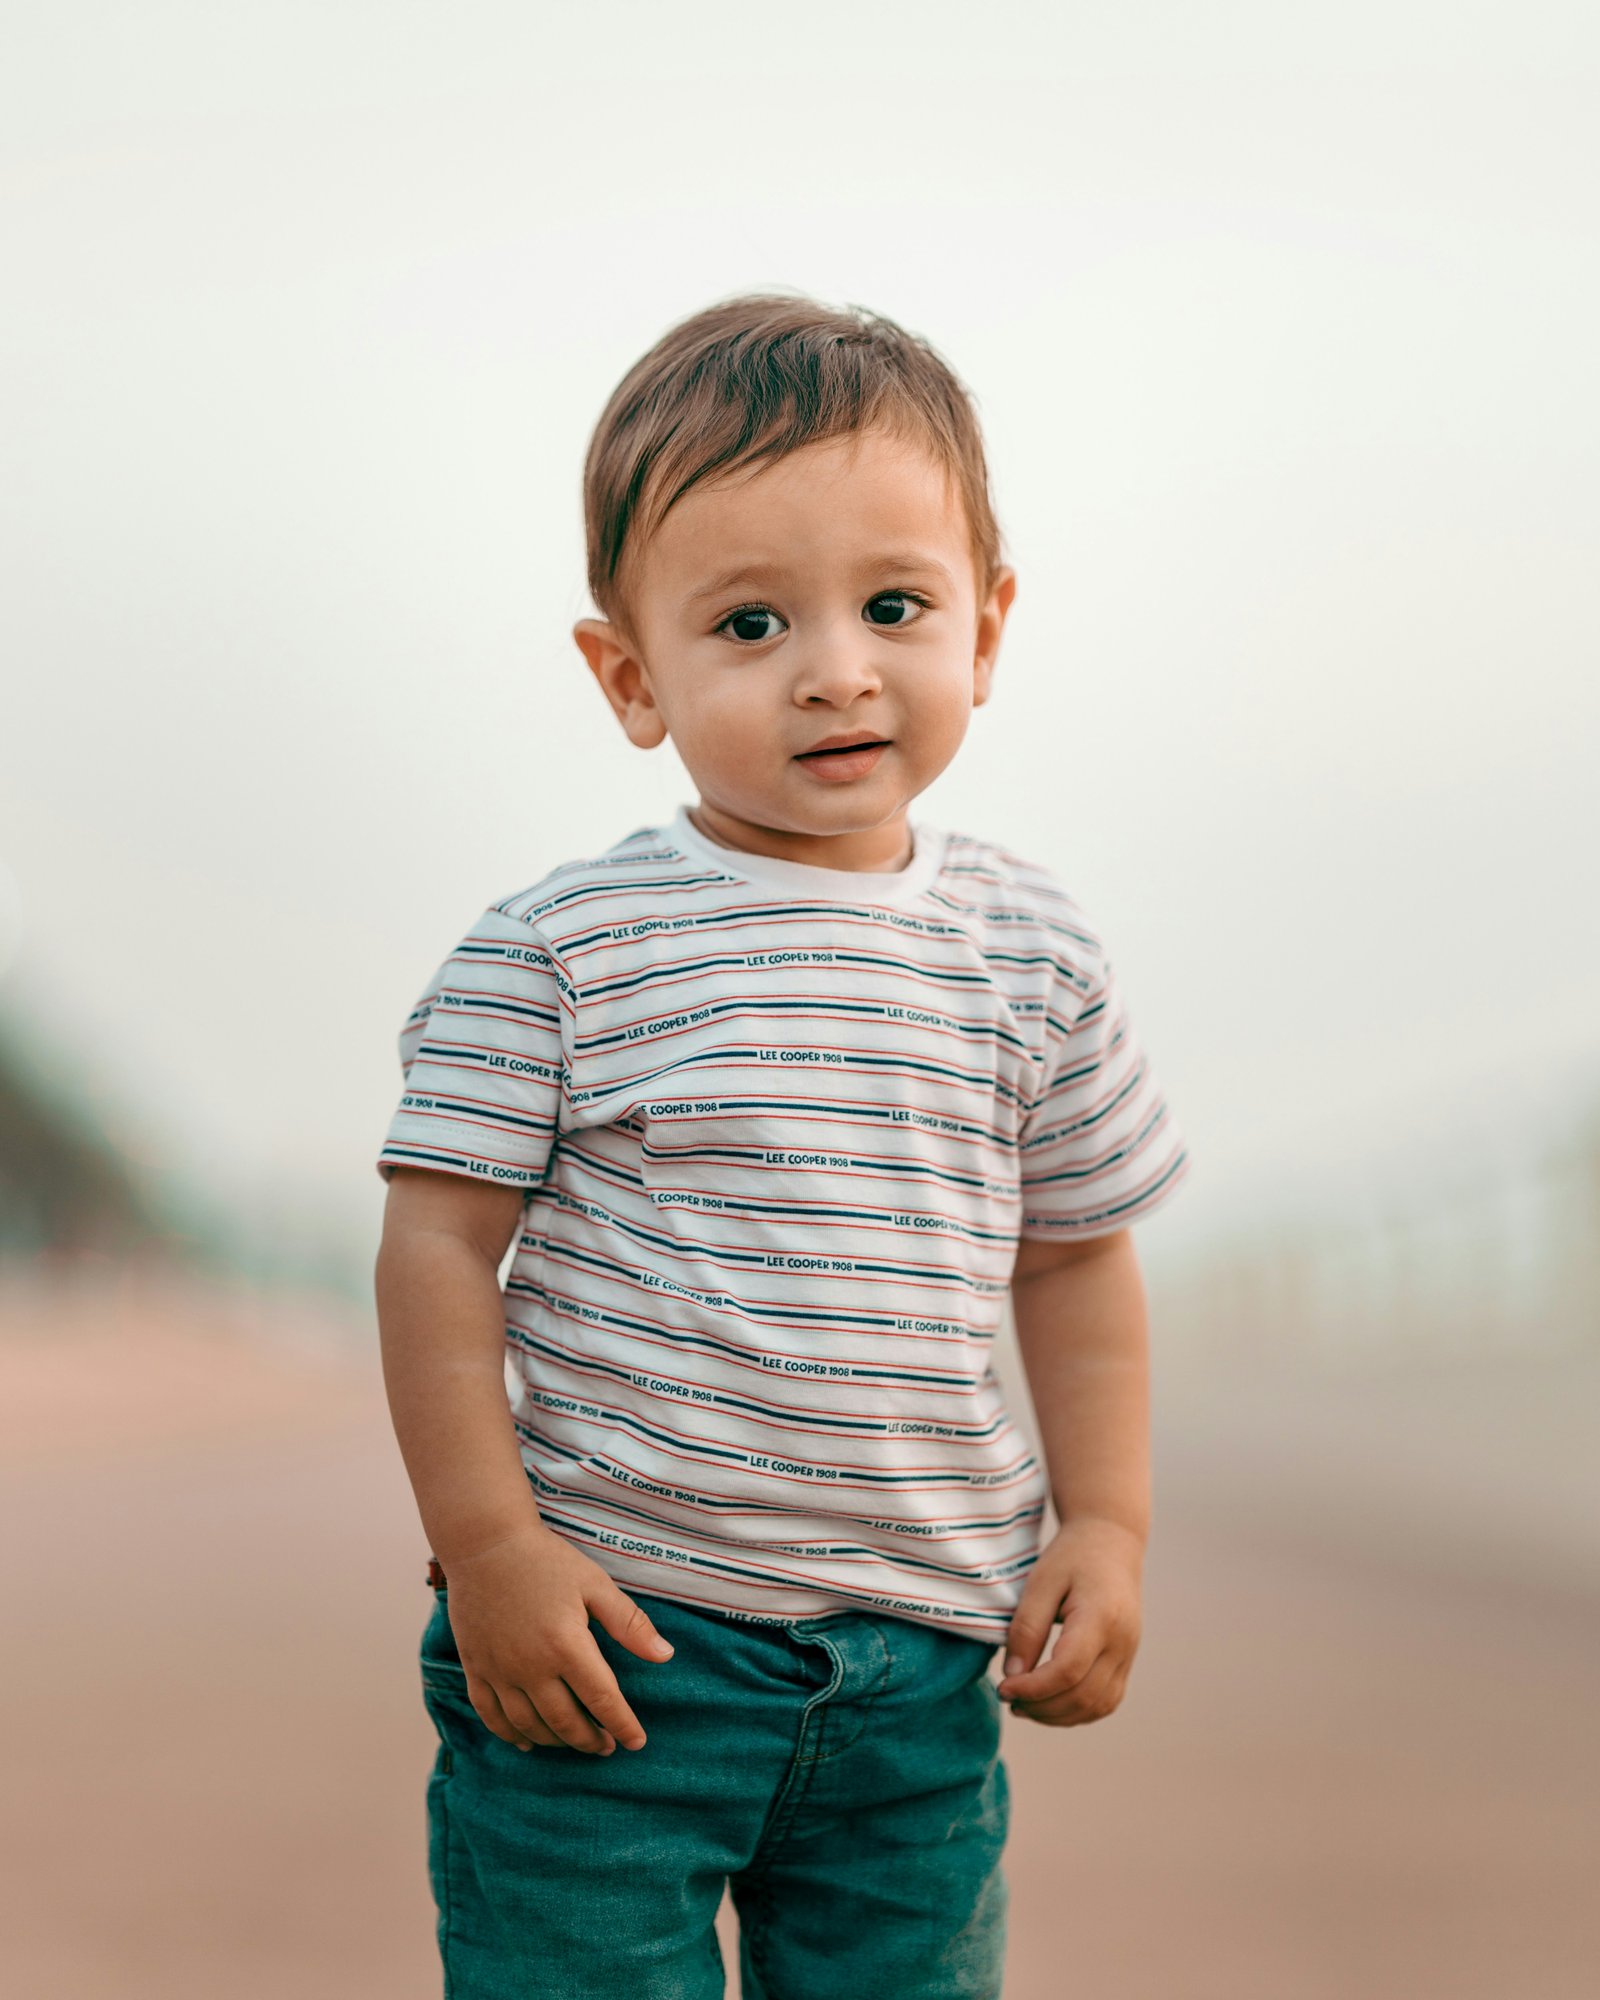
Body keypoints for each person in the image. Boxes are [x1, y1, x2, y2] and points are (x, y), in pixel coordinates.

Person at [372, 293, 1190, 2000]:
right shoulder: (563, 947)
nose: (835, 666)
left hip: (921, 1677)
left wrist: (1102, 1523)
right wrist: (494, 1546)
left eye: (895, 605)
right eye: (748, 622)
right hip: (617, 1656)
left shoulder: (1031, 951)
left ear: (988, 628)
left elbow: (1075, 1251)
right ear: (630, 676)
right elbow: (441, 1245)